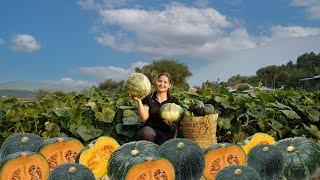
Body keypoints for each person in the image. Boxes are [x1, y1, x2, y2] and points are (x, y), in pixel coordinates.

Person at [132, 72, 179, 145]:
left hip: (166, 132)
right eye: (159, 81)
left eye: (165, 82)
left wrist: (173, 124)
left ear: (169, 85)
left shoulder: (173, 101)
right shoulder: (148, 98)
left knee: (163, 148)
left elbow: (178, 122)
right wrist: (139, 101)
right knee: (146, 133)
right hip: (150, 130)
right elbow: (144, 117)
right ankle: (148, 150)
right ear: (156, 82)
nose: (162, 84)